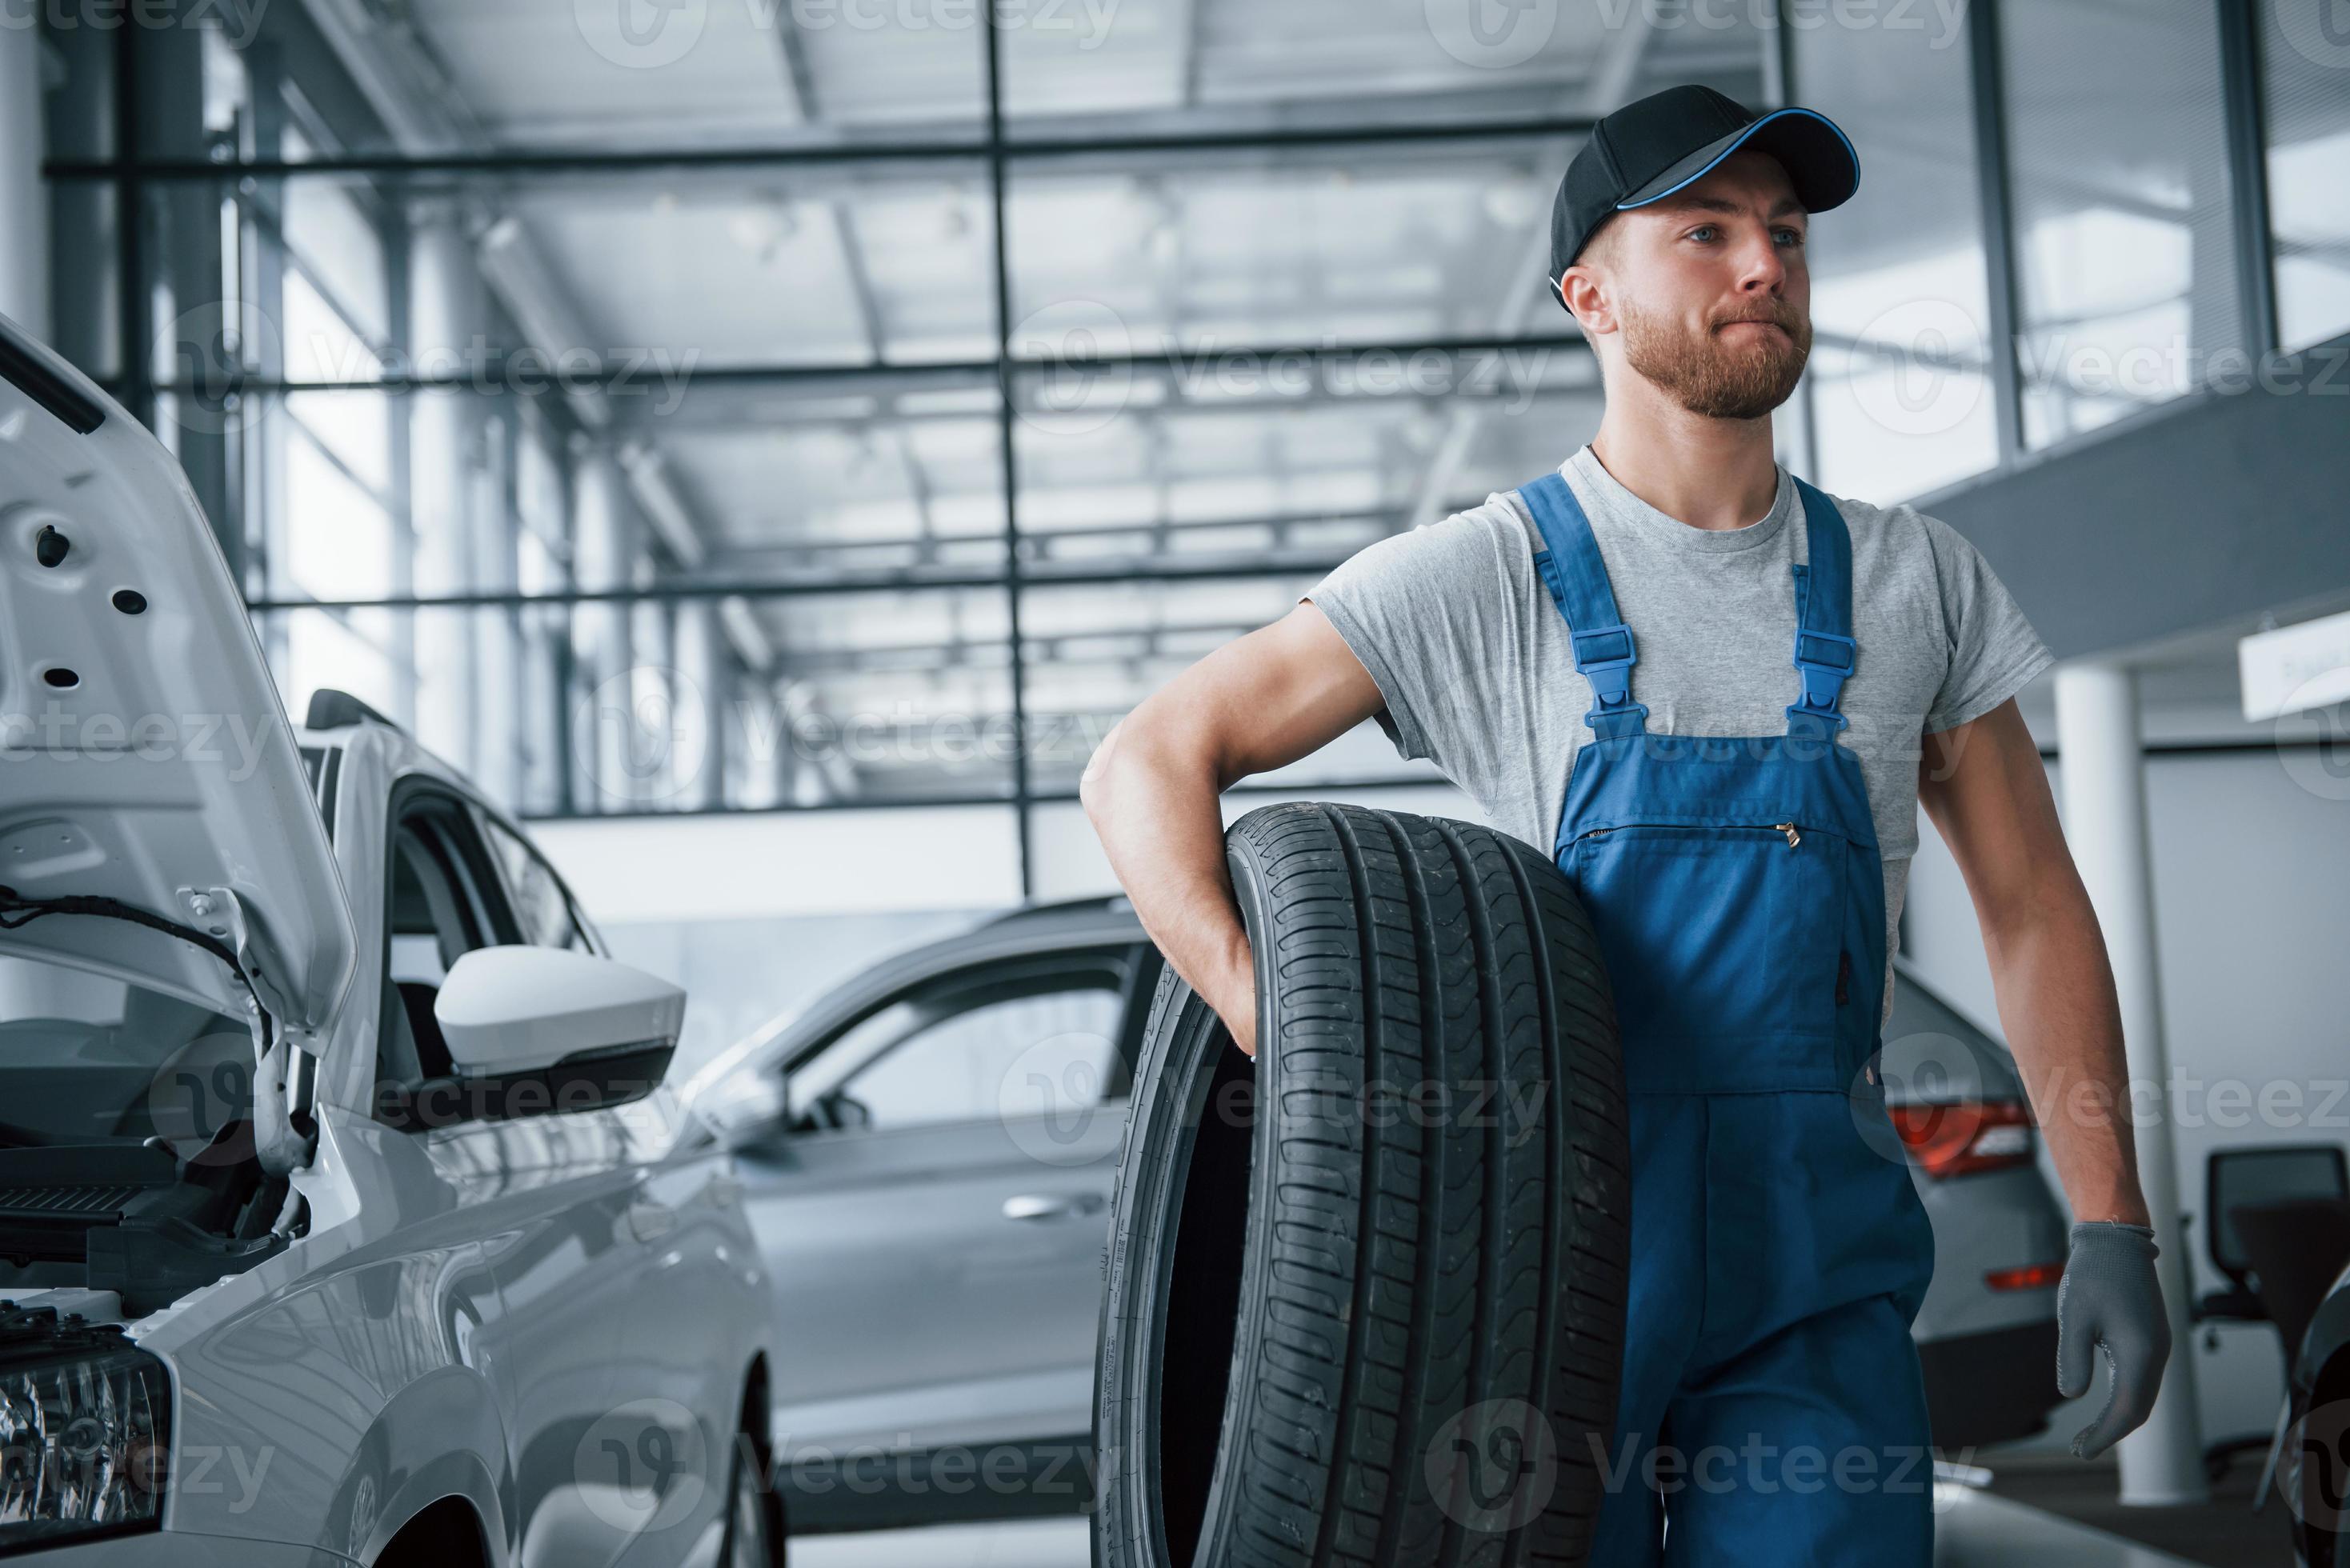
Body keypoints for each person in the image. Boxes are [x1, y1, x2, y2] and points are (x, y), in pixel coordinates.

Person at [1079, 83, 2172, 1566]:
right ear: (1588, 294)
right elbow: (1146, 760)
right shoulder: (1488, 572)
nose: (1762, 265)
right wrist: (1288, 1025)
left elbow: (2032, 906)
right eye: (1703, 232)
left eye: (1783, 234)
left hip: (1817, 1265)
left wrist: (2110, 1221)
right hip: (1546, 1267)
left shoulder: (1916, 581)